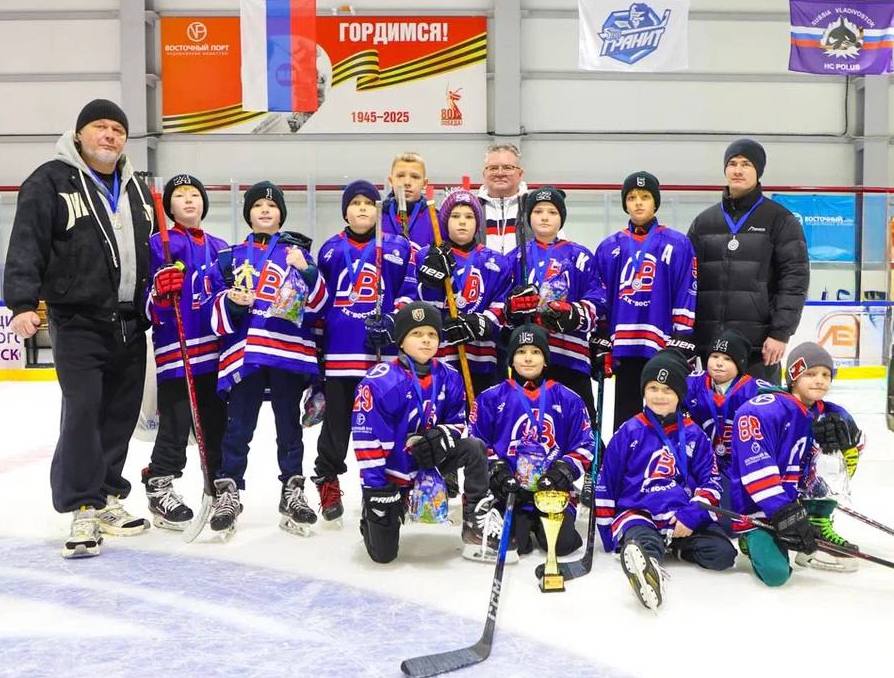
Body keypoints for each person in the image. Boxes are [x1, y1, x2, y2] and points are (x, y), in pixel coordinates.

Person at [4, 99, 153, 558]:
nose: (109, 135)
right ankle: (82, 504)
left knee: (120, 413)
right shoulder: (50, 180)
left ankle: (106, 495)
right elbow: (26, 241)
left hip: (130, 320)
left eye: (117, 129)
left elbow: (151, 247)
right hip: (78, 319)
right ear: (79, 134)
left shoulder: (136, 188)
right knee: (84, 410)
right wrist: (22, 302)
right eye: (100, 127)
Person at [206, 181, 327, 537]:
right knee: (238, 426)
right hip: (247, 354)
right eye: (258, 205)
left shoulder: (297, 252)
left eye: (272, 206)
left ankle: (293, 489)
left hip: (286, 354)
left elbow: (319, 306)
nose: (265, 210)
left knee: (288, 426)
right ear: (248, 214)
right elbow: (213, 311)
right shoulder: (230, 257)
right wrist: (231, 303)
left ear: (281, 215)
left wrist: (307, 271)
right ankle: (228, 490)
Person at [351, 301, 493, 563]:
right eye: (417, 334)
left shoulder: (450, 375)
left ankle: (475, 521)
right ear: (401, 340)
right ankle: (370, 516)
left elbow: (457, 421)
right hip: (394, 470)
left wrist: (442, 435)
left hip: (431, 460)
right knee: (383, 556)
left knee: (475, 448)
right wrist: (376, 488)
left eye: (432, 334)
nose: (426, 340)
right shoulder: (381, 380)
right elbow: (366, 439)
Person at [595, 349, 736, 610]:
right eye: (653, 388)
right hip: (640, 513)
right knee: (644, 542)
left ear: (680, 394)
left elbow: (712, 482)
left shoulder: (695, 435)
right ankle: (649, 569)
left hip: (680, 516)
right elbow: (607, 482)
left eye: (667, 390)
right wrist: (608, 533)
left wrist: (692, 516)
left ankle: (677, 547)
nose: (659, 396)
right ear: (643, 391)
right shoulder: (628, 431)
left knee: (723, 554)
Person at [312, 180, 413, 522]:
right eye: (355, 203)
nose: (362, 208)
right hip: (340, 355)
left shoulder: (397, 247)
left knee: (387, 424)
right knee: (337, 425)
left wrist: (393, 319)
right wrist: (318, 353)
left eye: (369, 203)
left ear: (378, 210)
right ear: (345, 212)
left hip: (382, 357)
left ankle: (390, 484)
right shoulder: (330, 250)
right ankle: (328, 479)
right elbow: (320, 301)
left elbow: (409, 291)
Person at [729, 342, 864, 586]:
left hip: (800, 501)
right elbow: (756, 471)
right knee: (776, 574)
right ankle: (750, 538)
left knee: (832, 457)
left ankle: (817, 520)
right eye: (810, 374)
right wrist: (786, 513)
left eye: (825, 375)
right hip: (760, 510)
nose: (820, 380)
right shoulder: (761, 411)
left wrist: (844, 448)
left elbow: (855, 453)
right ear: (793, 377)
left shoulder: (833, 413)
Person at [143, 174, 229, 530]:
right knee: (176, 424)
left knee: (216, 425)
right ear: (169, 206)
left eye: (195, 194)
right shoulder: (158, 245)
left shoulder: (221, 246)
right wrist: (160, 294)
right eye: (180, 195)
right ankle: (159, 483)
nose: (189, 199)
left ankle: (219, 485)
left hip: (214, 353)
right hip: (176, 352)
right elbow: (146, 306)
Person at [687, 139, 809, 383]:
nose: (738, 170)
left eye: (746, 164)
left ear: (758, 171)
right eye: (732, 163)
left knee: (757, 407)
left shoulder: (780, 219)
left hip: (758, 347)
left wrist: (780, 332)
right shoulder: (704, 222)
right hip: (710, 346)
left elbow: (795, 279)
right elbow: (687, 281)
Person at [471, 324, 594, 560]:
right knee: (517, 544)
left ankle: (546, 520)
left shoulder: (568, 398)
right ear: (511, 359)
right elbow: (477, 441)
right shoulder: (491, 397)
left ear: (545, 359)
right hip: (511, 492)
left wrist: (563, 471)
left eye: (536, 352)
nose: (528, 358)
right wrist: (497, 471)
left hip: (552, 490)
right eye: (521, 352)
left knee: (562, 545)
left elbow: (585, 445)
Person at [592, 171, 697, 431]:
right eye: (632, 197)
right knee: (625, 418)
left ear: (655, 202)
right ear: (625, 204)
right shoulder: (609, 247)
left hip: (663, 344)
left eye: (645, 197)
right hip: (624, 345)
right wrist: (601, 337)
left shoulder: (678, 243)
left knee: (664, 412)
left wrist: (682, 335)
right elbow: (601, 296)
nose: (638, 202)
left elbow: (686, 289)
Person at [504, 187, 605, 427]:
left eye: (552, 212)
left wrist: (574, 313)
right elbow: (502, 307)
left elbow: (598, 301)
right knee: (529, 424)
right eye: (538, 211)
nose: (545, 217)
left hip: (571, 357)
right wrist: (513, 309)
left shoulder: (580, 256)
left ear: (562, 218)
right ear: (529, 217)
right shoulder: (515, 257)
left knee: (578, 424)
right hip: (529, 357)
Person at [400, 188, 511, 395]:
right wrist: (430, 283)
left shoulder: (497, 261)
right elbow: (411, 299)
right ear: (445, 221)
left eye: (469, 217)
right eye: (455, 216)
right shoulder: (424, 256)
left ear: (477, 223)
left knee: (479, 411)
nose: (462, 222)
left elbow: (502, 304)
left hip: (481, 357)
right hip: (437, 356)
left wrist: (481, 322)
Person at [684, 328, 759, 478]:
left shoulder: (754, 390)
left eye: (727, 359)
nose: (719, 363)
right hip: (700, 461)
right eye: (715, 356)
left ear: (740, 363)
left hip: (743, 464)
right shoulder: (692, 383)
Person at [476, 143, 529, 256]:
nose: (500, 173)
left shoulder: (534, 208)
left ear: (520, 174)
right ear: (484, 174)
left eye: (507, 168)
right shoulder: (472, 210)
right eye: (493, 168)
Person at [381, 152, 436, 250]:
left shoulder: (436, 219)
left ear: (424, 183)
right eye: (400, 176)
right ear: (391, 181)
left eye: (415, 177)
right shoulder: (377, 216)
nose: (407, 182)